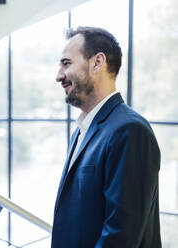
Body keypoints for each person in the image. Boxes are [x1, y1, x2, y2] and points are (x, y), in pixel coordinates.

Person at [51, 26, 161, 247]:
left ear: (97, 62)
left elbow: (120, 236)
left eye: (66, 63)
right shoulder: (82, 129)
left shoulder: (130, 130)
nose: (58, 76)